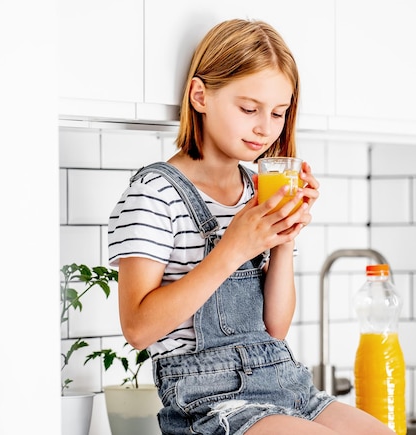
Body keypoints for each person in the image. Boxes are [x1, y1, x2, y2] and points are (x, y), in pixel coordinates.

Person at [108, 18, 395, 435]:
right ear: (200, 95)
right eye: (249, 109)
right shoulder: (155, 193)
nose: (265, 127)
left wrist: (284, 235)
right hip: (211, 402)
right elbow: (137, 328)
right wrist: (232, 248)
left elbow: (274, 329)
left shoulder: (259, 191)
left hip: (287, 385)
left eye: (279, 113)